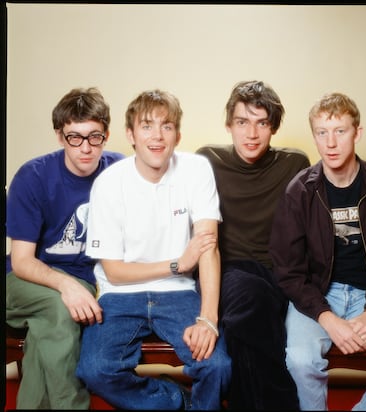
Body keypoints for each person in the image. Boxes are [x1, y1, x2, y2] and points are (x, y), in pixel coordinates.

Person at [76, 89, 232, 410]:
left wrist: (208, 319)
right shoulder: (108, 182)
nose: (157, 136)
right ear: (130, 135)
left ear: (178, 134)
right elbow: (115, 272)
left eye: (167, 126)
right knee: (94, 370)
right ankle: (178, 402)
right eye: (147, 126)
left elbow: (208, 247)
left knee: (218, 366)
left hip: (178, 294)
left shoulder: (196, 169)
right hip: (118, 295)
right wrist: (176, 264)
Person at [269, 92, 366, 411]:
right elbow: (288, 271)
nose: (330, 143)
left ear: (357, 133)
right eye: (322, 132)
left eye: (340, 131)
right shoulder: (299, 191)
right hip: (318, 295)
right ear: (315, 137)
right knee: (301, 361)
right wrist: (326, 316)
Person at [5, 87, 125, 409]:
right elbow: (22, 261)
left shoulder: (120, 172)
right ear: (60, 136)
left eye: (94, 137)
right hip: (25, 278)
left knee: (47, 332)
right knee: (59, 310)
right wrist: (67, 286)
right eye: (75, 137)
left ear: (106, 135)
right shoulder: (32, 177)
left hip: (88, 280)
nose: (85, 148)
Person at [196, 80, 310, 410]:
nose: (252, 134)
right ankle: (283, 403)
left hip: (276, 274)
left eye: (262, 123)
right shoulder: (208, 160)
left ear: (273, 126)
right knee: (250, 299)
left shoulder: (294, 164)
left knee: (247, 322)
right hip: (227, 269)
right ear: (229, 125)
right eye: (243, 122)